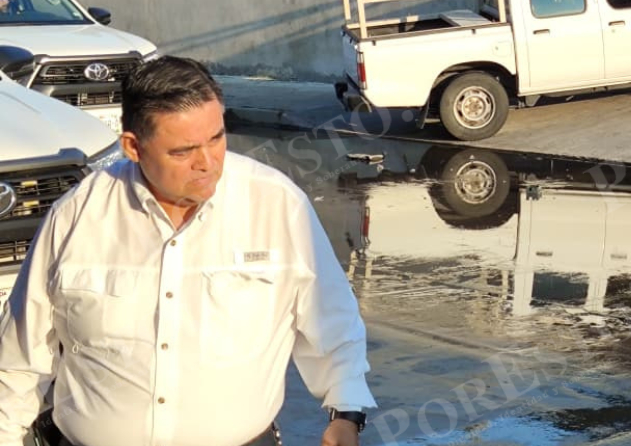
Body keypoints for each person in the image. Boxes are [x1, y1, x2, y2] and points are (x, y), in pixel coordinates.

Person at [0, 56, 376, 446]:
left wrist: (346, 415)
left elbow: (332, 321)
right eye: (183, 151)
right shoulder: (77, 216)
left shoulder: (277, 206)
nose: (208, 163)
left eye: (216, 138)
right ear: (133, 146)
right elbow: (19, 360)